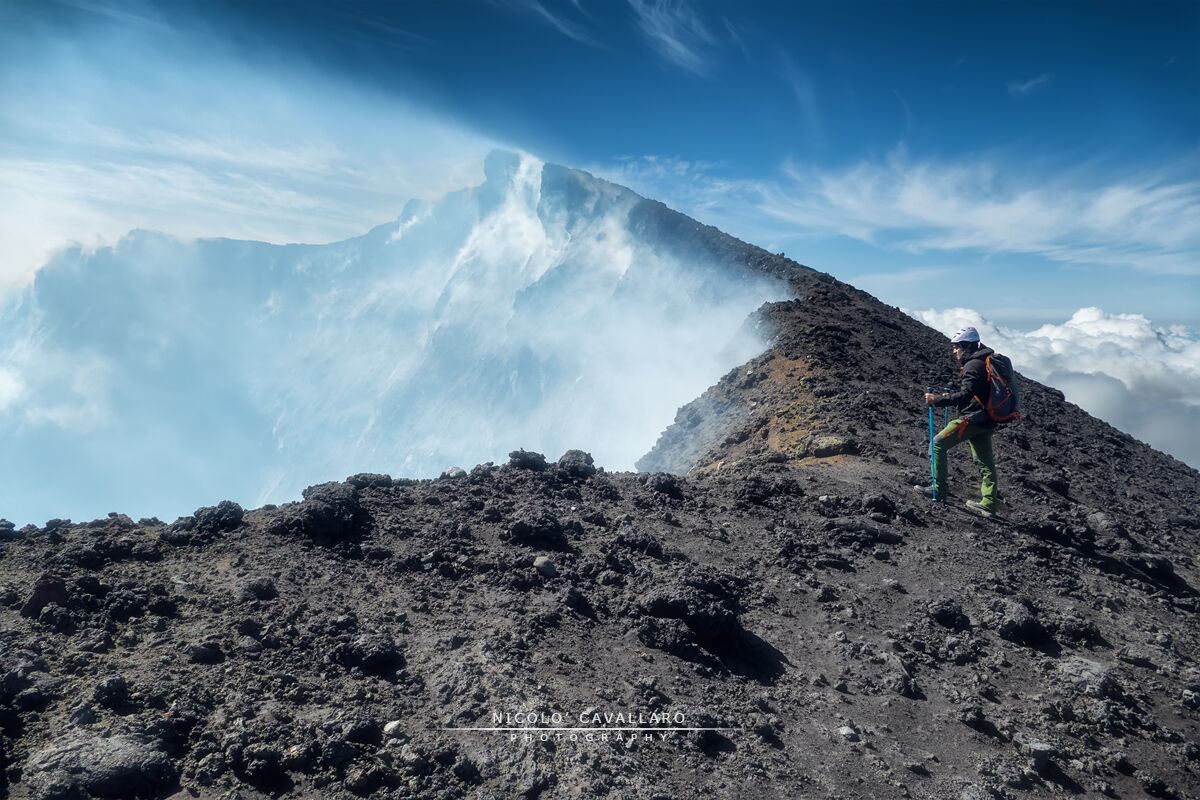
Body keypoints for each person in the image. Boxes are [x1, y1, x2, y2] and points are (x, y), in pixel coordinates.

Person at [916, 326, 1002, 518]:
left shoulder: (973, 365)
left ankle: (938, 490)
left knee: (937, 444)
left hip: (971, 419)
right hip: (987, 419)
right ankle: (989, 503)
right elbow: (975, 393)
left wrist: (937, 399)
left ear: (966, 345)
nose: (954, 351)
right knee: (985, 462)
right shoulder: (983, 362)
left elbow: (965, 394)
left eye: (957, 347)